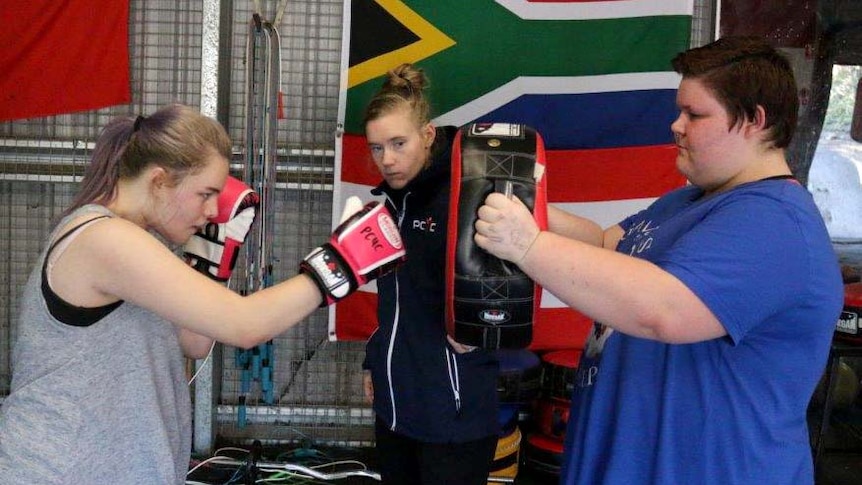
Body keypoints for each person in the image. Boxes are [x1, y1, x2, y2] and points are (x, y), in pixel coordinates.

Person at [474, 36, 844, 484]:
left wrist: (526, 245)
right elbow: (607, 246)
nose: (677, 125)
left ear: (754, 121)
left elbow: (665, 310)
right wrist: (519, 204)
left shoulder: (774, 221)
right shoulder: (689, 201)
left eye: (695, 114)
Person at [0, 103, 401, 484]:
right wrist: (340, 264)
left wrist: (212, 255)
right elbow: (244, 325)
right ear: (158, 180)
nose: (213, 210)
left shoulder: (132, 242)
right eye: (204, 193)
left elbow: (194, 340)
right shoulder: (105, 239)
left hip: (111, 465)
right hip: (63, 466)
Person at [359, 63, 501, 484]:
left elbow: (516, 275)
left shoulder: (467, 196)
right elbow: (396, 297)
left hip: (453, 411)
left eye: (399, 143)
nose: (387, 159)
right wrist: (375, 358)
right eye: (376, 148)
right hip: (397, 402)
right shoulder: (388, 207)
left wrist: (481, 329)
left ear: (427, 135)